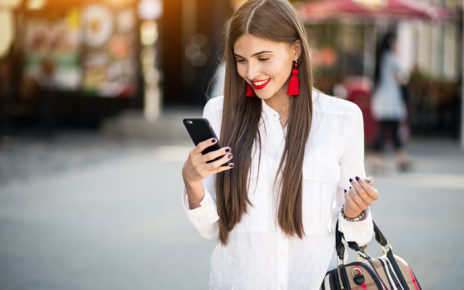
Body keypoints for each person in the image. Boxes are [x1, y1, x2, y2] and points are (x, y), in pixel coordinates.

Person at [181, 0, 379, 289]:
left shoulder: (342, 118)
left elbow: (356, 236)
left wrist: (355, 212)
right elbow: (212, 229)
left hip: (312, 282)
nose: (250, 72)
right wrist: (192, 181)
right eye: (241, 60)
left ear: (295, 50)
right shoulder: (219, 113)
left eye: (263, 58)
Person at [371, 32, 411, 171]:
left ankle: (398, 158)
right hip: (390, 100)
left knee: (390, 129)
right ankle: (393, 158)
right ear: (391, 42)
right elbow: (404, 75)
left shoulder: (381, 58)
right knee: (388, 128)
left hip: (384, 98)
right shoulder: (390, 57)